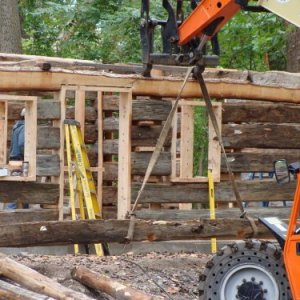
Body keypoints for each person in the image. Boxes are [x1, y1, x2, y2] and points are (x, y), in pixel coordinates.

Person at [6, 108, 26, 209]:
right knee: (24, 189)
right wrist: (27, 156)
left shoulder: (17, 126)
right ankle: (10, 213)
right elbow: (22, 143)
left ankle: (24, 211)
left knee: (15, 188)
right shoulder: (24, 127)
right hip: (20, 160)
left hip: (14, 160)